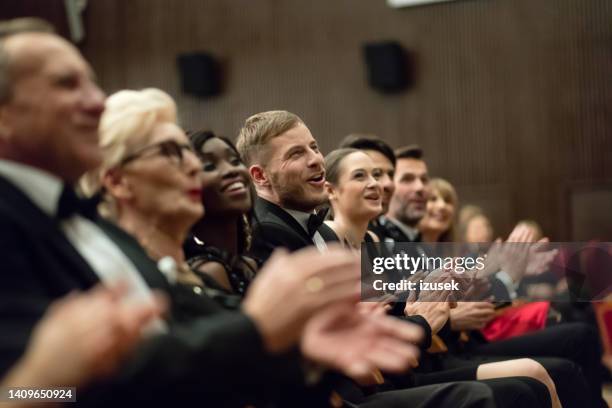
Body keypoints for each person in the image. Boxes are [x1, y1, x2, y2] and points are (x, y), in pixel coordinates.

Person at [0, 19, 428, 407]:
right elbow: (32, 391)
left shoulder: (92, 230)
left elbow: (174, 358)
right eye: (66, 84)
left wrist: (305, 351)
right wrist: (261, 331)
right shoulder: (274, 234)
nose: (96, 101)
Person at [236, 110, 339, 262]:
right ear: (260, 175)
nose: (316, 159)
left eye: (314, 148)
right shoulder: (264, 233)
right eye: (296, 154)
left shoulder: (326, 232)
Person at [184, 130, 257, 297]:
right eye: (209, 166)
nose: (231, 170)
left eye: (235, 161)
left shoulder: (249, 263)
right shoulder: (208, 271)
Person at [323, 148, 383, 248]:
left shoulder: (373, 240)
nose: (374, 183)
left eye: (376, 175)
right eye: (359, 175)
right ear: (330, 191)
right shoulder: (327, 234)